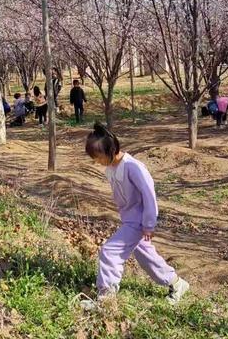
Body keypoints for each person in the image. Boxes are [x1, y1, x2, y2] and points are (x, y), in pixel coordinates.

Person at [80, 123, 189, 311]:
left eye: (98, 157)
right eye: (94, 158)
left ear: (111, 150)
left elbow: (149, 194)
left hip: (138, 222)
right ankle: (177, 284)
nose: (97, 161)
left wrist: (148, 224)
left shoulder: (133, 167)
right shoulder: (111, 168)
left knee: (110, 251)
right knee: (147, 257)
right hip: (129, 220)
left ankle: (105, 300)